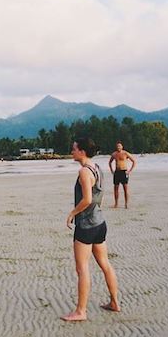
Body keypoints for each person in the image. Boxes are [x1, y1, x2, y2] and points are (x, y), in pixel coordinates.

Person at [62, 137, 120, 322]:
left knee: (82, 269)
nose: (72, 152)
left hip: (86, 226)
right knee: (105, 264)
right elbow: (97, 196)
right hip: (99, 223)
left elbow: (87, 199)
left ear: (82, 151)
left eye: (74, 149)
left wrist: (72, 213)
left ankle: (81, 311)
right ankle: (114, 302)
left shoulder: (84, 172)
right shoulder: (97, 167)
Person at [108, 141, 137, 209]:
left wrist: (129, 171)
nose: (118, 147)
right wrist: (112, 171)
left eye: (119, 146)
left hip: (124, 172)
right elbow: (110, 162)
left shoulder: (125, 153)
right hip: (117, 172)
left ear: (122, 147)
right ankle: (116, 204)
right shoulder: (114, 154)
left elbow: (134, 161)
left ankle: (126, 204)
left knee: (125, 189)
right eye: (117, 146)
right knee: (116, 189)